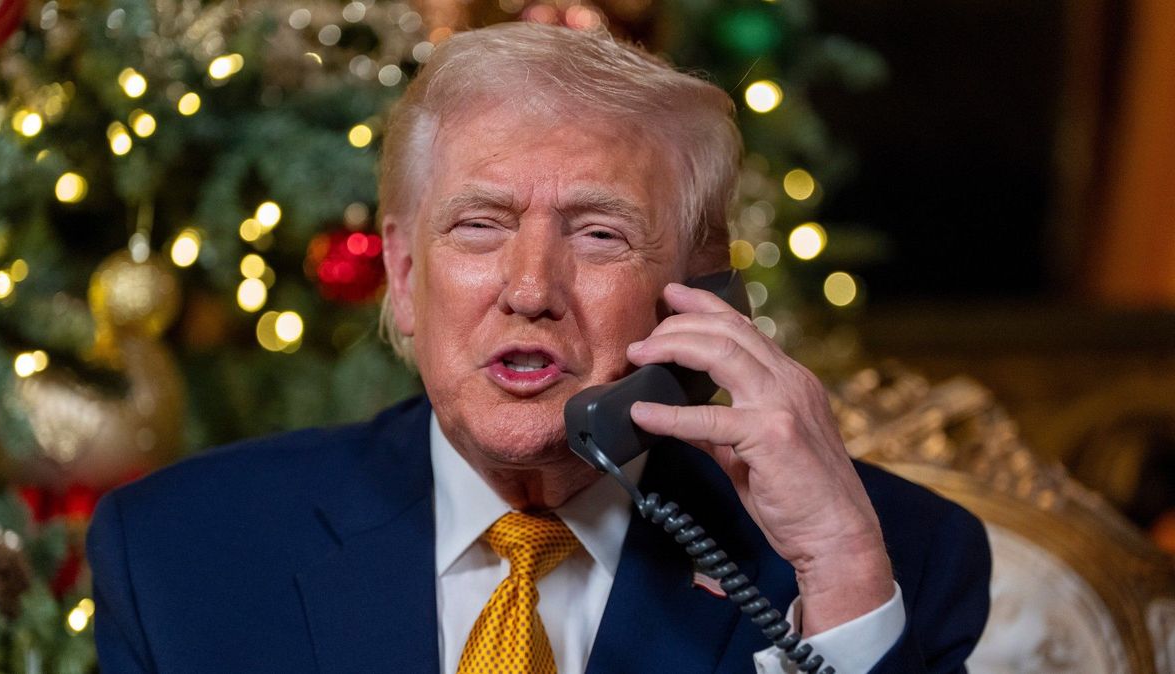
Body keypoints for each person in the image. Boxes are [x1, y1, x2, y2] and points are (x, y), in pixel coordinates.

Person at [87, 22, 990, 673]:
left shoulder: (895, 558)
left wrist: (835, 573)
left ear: (702, 294)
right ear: (404, 274)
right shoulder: (181, 553)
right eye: (479, 226)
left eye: (599, 235)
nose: (529, 289)